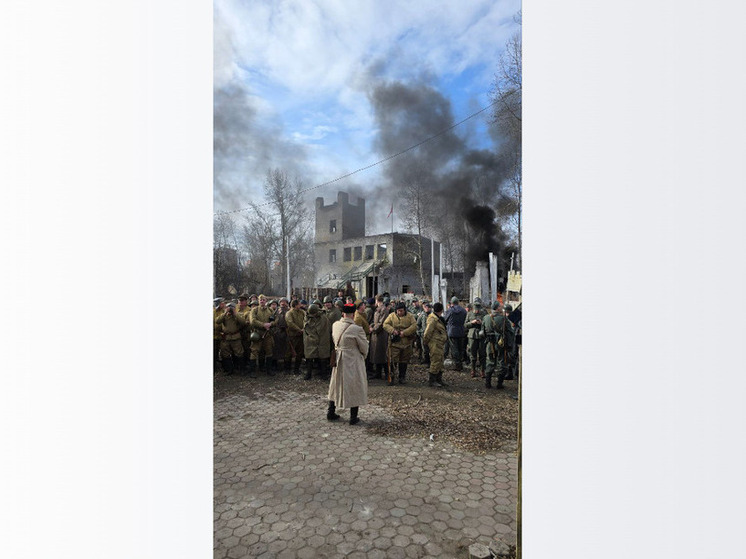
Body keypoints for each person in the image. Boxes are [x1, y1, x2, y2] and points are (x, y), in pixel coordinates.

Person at [327, 303, 369, 425]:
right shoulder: (357, 329)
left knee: (335, 384)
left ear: (342, 313)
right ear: (354, 314)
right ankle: (353, 417)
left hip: (338, 358)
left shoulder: (335, 325)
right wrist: (363, 356)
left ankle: (331, 411)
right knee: (354, 385)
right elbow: (364, 347)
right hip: (352, 360)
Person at [481, 301, 515, 389]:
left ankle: (488, 383)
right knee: (502, 362)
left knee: (490, 362)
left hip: (490, 343)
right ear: (497, 308)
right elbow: (511, 331)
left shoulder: (486, 317)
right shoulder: (503, 319)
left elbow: (482, 332)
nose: (501, 308)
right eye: (500, 306)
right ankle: (499, 384)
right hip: (501, 344)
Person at [383, 301, 418, 385]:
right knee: (392, 360)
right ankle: (391, 377)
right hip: (394, 344)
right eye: (398, 311)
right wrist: (393, 330)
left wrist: (405, 332)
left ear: (404, 310)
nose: (399, 312)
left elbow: (414, 326)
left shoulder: (410, 316)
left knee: (404, 361)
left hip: (406, 343)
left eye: (401, 311)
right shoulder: (391, 316)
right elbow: (385, 324)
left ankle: (402, 377)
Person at [215, 302, 246, 375]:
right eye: (228, 307)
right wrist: (225, 313)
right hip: (226, 338)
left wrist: (235, 314)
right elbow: (217, 321)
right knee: (225, 354)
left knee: (239, 353)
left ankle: (241, 369)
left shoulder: (238, 315)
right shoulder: (224, 316)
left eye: (231, 308)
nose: (230, 309)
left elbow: (243, 322)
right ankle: (229, 370)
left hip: (236, 337)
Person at [249, 294, 276, 375]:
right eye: (260, 300)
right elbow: (252, 321)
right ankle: (252, 371)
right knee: (254, 352)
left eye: (263, 300)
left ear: (266, 301)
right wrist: (263, 325)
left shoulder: (270, 310)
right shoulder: (254, 310)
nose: (262, 301)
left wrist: (270, 324)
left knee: (269, 351)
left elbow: (276, 319)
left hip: (268, 334)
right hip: (257, 334)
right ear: (258, 301)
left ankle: (268, 370)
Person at [302, 303, 331, 380]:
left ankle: (323, 374)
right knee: (309, 357)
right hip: (310, 340)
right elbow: (306, 327)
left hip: (322, 339)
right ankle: (308, 374)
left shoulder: (323, 317)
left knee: (323, 357)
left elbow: (323, 328)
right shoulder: (307, 317)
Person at [423, 301, 448, 387]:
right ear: (441, 310)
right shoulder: (433, 319)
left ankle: (439, 379)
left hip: (439, 343)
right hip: (434, 343)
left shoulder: (438, 318)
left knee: (440, 361)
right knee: (435, 361)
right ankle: (432, 380)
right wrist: (425, 342)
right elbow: (428, 332)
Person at [465, 298, 487, 379]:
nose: (477, 310)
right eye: (475, 308)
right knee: (472, 354)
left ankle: (482, 370)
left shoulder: (484, 314)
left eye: (478, 308)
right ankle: (473, 370)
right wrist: (472, 322)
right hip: (472, 336)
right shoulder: (469, 314)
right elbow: (465, 325)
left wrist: (481, 323)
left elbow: (487, 324)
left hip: (481, 336)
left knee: (482, 354)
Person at [443, 296, 467, 371]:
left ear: (451, 303)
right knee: (460, 348)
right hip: (461, 331)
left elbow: (444, 320)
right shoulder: (463, 311)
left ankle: (457, 364)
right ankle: (461, 362)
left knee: (454, 348)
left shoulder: (450, 310)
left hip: (452, 331)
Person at [369, 295, 390, 380]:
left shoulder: (384, 309)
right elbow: (375, 321)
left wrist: (373, 329)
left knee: (382, 354)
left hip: (381, 335)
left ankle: (387, 373)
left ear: (377, 300)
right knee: (377, 355)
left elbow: (382, 323)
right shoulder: (378, 309)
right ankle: (378, 373)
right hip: (376, 335)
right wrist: (372, 326)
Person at [284, 299, 305, 374]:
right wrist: (299, 330)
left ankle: (297, 369)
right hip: (292, 336)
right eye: (299, 304)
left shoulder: (302, 312)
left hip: (301, 336)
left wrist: (304, 329)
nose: (300, 305)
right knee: (289, 353)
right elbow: (290, 323)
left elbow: (306, 320)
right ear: (295, 305)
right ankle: (287, 369)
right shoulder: (289, 313)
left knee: (300, 352)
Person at [416, 301, 432, 365]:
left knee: (431, 348)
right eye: (425, 307)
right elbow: (418, 324)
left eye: (428, 307)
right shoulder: (422, 315)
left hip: (431, 335)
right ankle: (427, 360)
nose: (427, 309)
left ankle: (431, 361)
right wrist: (419, 332)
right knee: (425, 349)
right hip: (423, 335)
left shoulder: (432, 315)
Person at [213, 298, 226, 372]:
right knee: (214, 352)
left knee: (224, 352)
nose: (223, 304)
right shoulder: (213, 312)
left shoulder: (223, 311)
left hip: (222, 336)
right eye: (222, 303)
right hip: (214, 336)